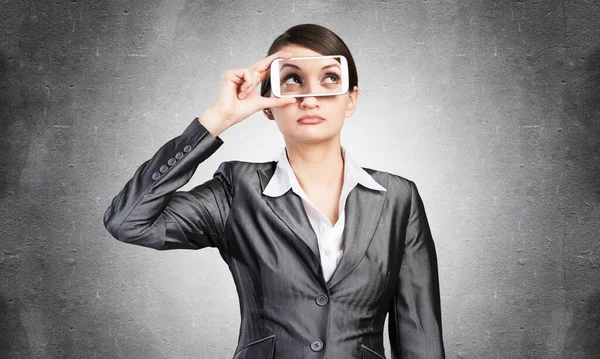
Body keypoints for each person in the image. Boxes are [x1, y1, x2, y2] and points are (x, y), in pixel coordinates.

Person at [103, 23, 445, 359]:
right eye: (293, 79)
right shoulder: (237, 190)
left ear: (351, 99)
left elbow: (419, 335)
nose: (310, 98)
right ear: (268, 104)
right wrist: (217, 119)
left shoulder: (398, 198)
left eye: (329, 78)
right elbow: (128, 221)